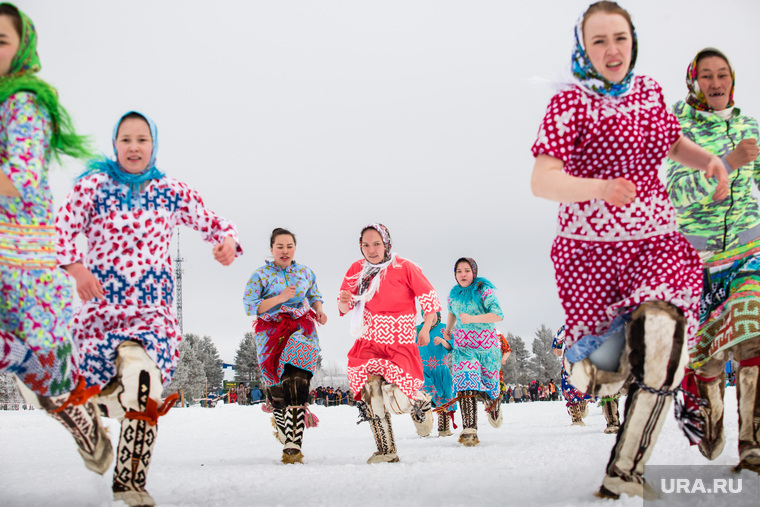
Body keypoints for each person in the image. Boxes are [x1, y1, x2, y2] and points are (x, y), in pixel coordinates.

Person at [530, 1, 731, 499]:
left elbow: (671, 143)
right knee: (603, 376)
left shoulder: (649, 93)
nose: (612, 50)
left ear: (632, 40)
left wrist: (709, 161)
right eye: (599, 41)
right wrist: (598, 187)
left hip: (655, 243)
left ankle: (625, 470)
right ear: (584, 48)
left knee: (662, 340)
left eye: (619, 38)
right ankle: (601, 370)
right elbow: (542, 181)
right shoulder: (568, 104)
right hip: (591, 259)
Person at [56, 111, 241, 506]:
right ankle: (94, 427)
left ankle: (130, 480)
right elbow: (63, 229)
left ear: (153, 146)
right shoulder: (93, 187)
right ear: (115, 144)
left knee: (145, 385)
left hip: (152, 314)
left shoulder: (169, 190)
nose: (134, 146)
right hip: (101, 314)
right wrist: (77, 269)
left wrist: (224, 242)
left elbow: (212, 221)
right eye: (126, 139)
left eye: (142, 139)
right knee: (97, 391)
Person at [0, 1, 112, 480]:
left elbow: (21, 177)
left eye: (0, 41)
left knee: (49, 378)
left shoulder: (23, 102)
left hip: (22, 263)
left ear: (21, 48)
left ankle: (82, 416)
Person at [666, 47, 760, 474]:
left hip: (749, 250)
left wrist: (746, 160)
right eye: (707, 76)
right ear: (694, 82)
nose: (717, 82)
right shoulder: (678, 127)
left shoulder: (748, 127)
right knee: (706, 357)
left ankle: (752, 443)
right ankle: (710, 413)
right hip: (698, 260)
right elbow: (676, 192)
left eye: (723, 74)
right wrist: (724, 164)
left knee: (753, 336)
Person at [338, 223, 441, 463]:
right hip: (369, 341)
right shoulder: (357, 270)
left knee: (400, 398)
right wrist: (345, 301)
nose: (372, 250)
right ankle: (387, 450)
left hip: (400, 342)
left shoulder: (405, 267)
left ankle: (420, 404)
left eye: (377, 244)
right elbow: (344, 307)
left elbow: (430, 301)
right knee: (371, 390)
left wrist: (425, 328)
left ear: (386, 244)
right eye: (366, 245)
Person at [243, 227, 327, 464]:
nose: (285, 250)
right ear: (271, 249)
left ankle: (294, 443)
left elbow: (314, 293)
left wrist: (319, 310)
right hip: (271, 332)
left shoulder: (304, 272)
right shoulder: (260, 275)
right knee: (278, 389)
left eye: (289, 246)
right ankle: (280, 418)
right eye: (280, 246)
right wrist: (279, 299)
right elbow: (250, 306)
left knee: (298, 378)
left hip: (301, 330)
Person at [444, 257, 504, 446]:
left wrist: (472, 319)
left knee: (490, 387)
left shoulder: (483, 291)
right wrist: (448, 328)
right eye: (459, 271)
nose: (462, 274)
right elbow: (452, 312)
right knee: (465, 381)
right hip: (464, 348)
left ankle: (493, 404)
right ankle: (469, 429)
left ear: (474, 272)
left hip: (487, 348)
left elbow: (498, 315)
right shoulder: (453, 294)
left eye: (466, 270)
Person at [417, 310, 457, 437]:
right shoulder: (417, 330)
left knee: (445, 398)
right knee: (423, 399)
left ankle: (444, 429)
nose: (428, 317)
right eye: (425, 315)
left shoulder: (444, 328)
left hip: (441, 371)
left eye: (432, 314)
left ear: (438, 315)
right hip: (423, 372)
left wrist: (442, 340)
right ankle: (424, 427)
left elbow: (451, 346)